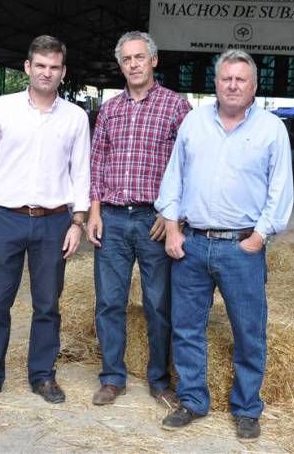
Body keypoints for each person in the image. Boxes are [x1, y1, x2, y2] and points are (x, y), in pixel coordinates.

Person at [155, 49, 294, 442]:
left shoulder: (270, 129)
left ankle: (247, 408)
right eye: (226, 78)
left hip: (241, 246)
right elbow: (174, 178)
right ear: (215, 82)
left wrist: (259, 236)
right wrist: (172, 227)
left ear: (254, 86)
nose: (232, 85)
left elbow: (280, 189)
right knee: (186, 327)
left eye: (241, 79)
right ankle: (193, 401)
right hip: (193, 243)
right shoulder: (193, 122)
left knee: (249, 329)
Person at [0, 35, 90, 405]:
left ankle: (43, 376)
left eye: (54, 67)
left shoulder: (75, 117)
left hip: (53, 222)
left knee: (48, 304)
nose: (46, 73)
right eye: (40, 66)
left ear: (63, 72)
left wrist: (77, 222)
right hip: (5, 218)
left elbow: (80, 173)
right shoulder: (2, 109)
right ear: (27, 67)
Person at [86, 31, 192, 407]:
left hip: (154, 220)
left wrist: (172, 213)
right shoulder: (111, 109)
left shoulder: (177, 107)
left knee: (158, 303)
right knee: (109, 302)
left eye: (139, 57)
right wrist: (94, 212)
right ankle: (112, 377)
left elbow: (189, 164)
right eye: (127, 59)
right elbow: (95, 163)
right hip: (112, 219)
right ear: (121, 65)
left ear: (153, 61)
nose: (133, 64)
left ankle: (160, 380)